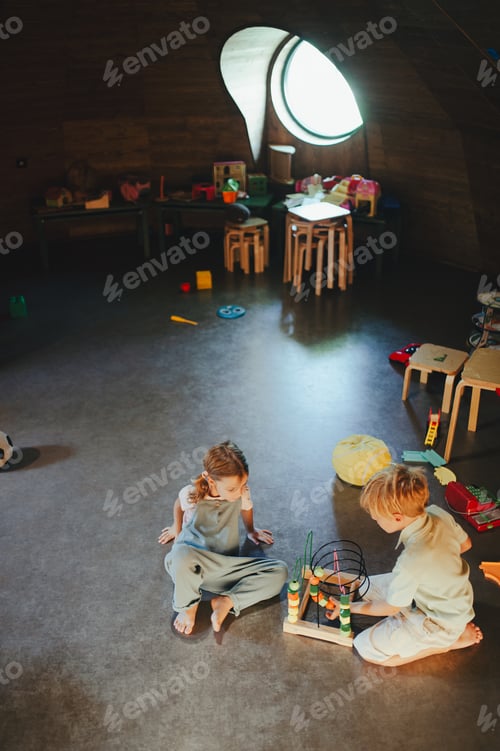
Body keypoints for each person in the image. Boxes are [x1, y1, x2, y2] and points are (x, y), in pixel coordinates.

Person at [326, 464, 483, 666]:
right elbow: (466, 544)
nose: (374, 519)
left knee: (366, 648)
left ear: (397, 517)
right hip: (445, 600)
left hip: (438, 622)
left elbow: (391, 608)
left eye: (376, 517)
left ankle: (448, 643)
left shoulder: (411, 560)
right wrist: (437, 563)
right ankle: (421, 616)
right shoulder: (437, 513)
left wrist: (349, 606)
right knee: (366, 587)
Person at [158, 440, 288, 635]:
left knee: (280, 571)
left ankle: (226, 601)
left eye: (243, 484)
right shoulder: (192, 493)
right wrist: (176, 528)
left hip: (223, 567)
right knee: (180, 555)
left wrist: (251, 530)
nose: (238, 493)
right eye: (231, 489)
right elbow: (178, 504)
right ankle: (188, 607)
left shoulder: (240, 491)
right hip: (190, 566)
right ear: (210, 480)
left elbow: (246, 507)